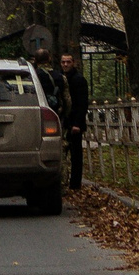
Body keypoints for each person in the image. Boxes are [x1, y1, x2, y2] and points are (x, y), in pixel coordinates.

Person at [55, 52, 91, 190]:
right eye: (63, 62)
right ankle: (63, 181)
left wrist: (77, 123)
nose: (65, 64)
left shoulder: (79, 80)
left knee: (76, 155)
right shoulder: (59, 78)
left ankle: (75, 184)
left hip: (75, 122)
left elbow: (82, 104)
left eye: (68, 62)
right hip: (63, 121)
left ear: (73, 62)